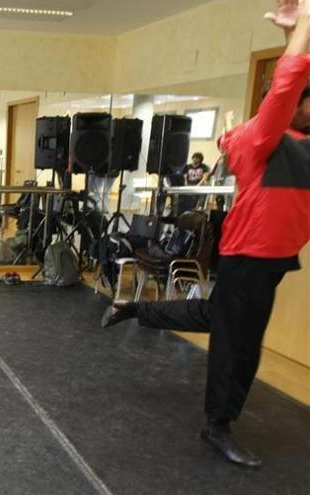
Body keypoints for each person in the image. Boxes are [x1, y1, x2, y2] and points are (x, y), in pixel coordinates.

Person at [100, 1, 310, 469]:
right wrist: (305, 27)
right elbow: (287, 82)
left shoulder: (297, 143)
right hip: (248, 255)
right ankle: (218, 424)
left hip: (275, 259)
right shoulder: (264, 140)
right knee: (239, 343)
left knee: (216, 317)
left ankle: (134, 307)